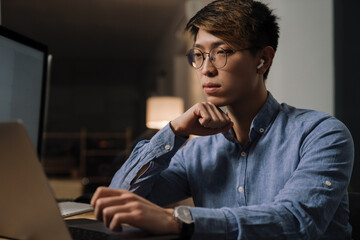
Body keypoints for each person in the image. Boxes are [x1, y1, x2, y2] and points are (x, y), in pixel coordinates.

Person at [90, 0, 354, 239]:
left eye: (222, 52)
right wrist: (174, 129)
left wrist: (180, 220)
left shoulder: (322, 134)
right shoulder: (196, 150)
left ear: (263, 60)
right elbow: (119, 202)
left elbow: (296, 221)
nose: (207, 68)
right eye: (199, 55)